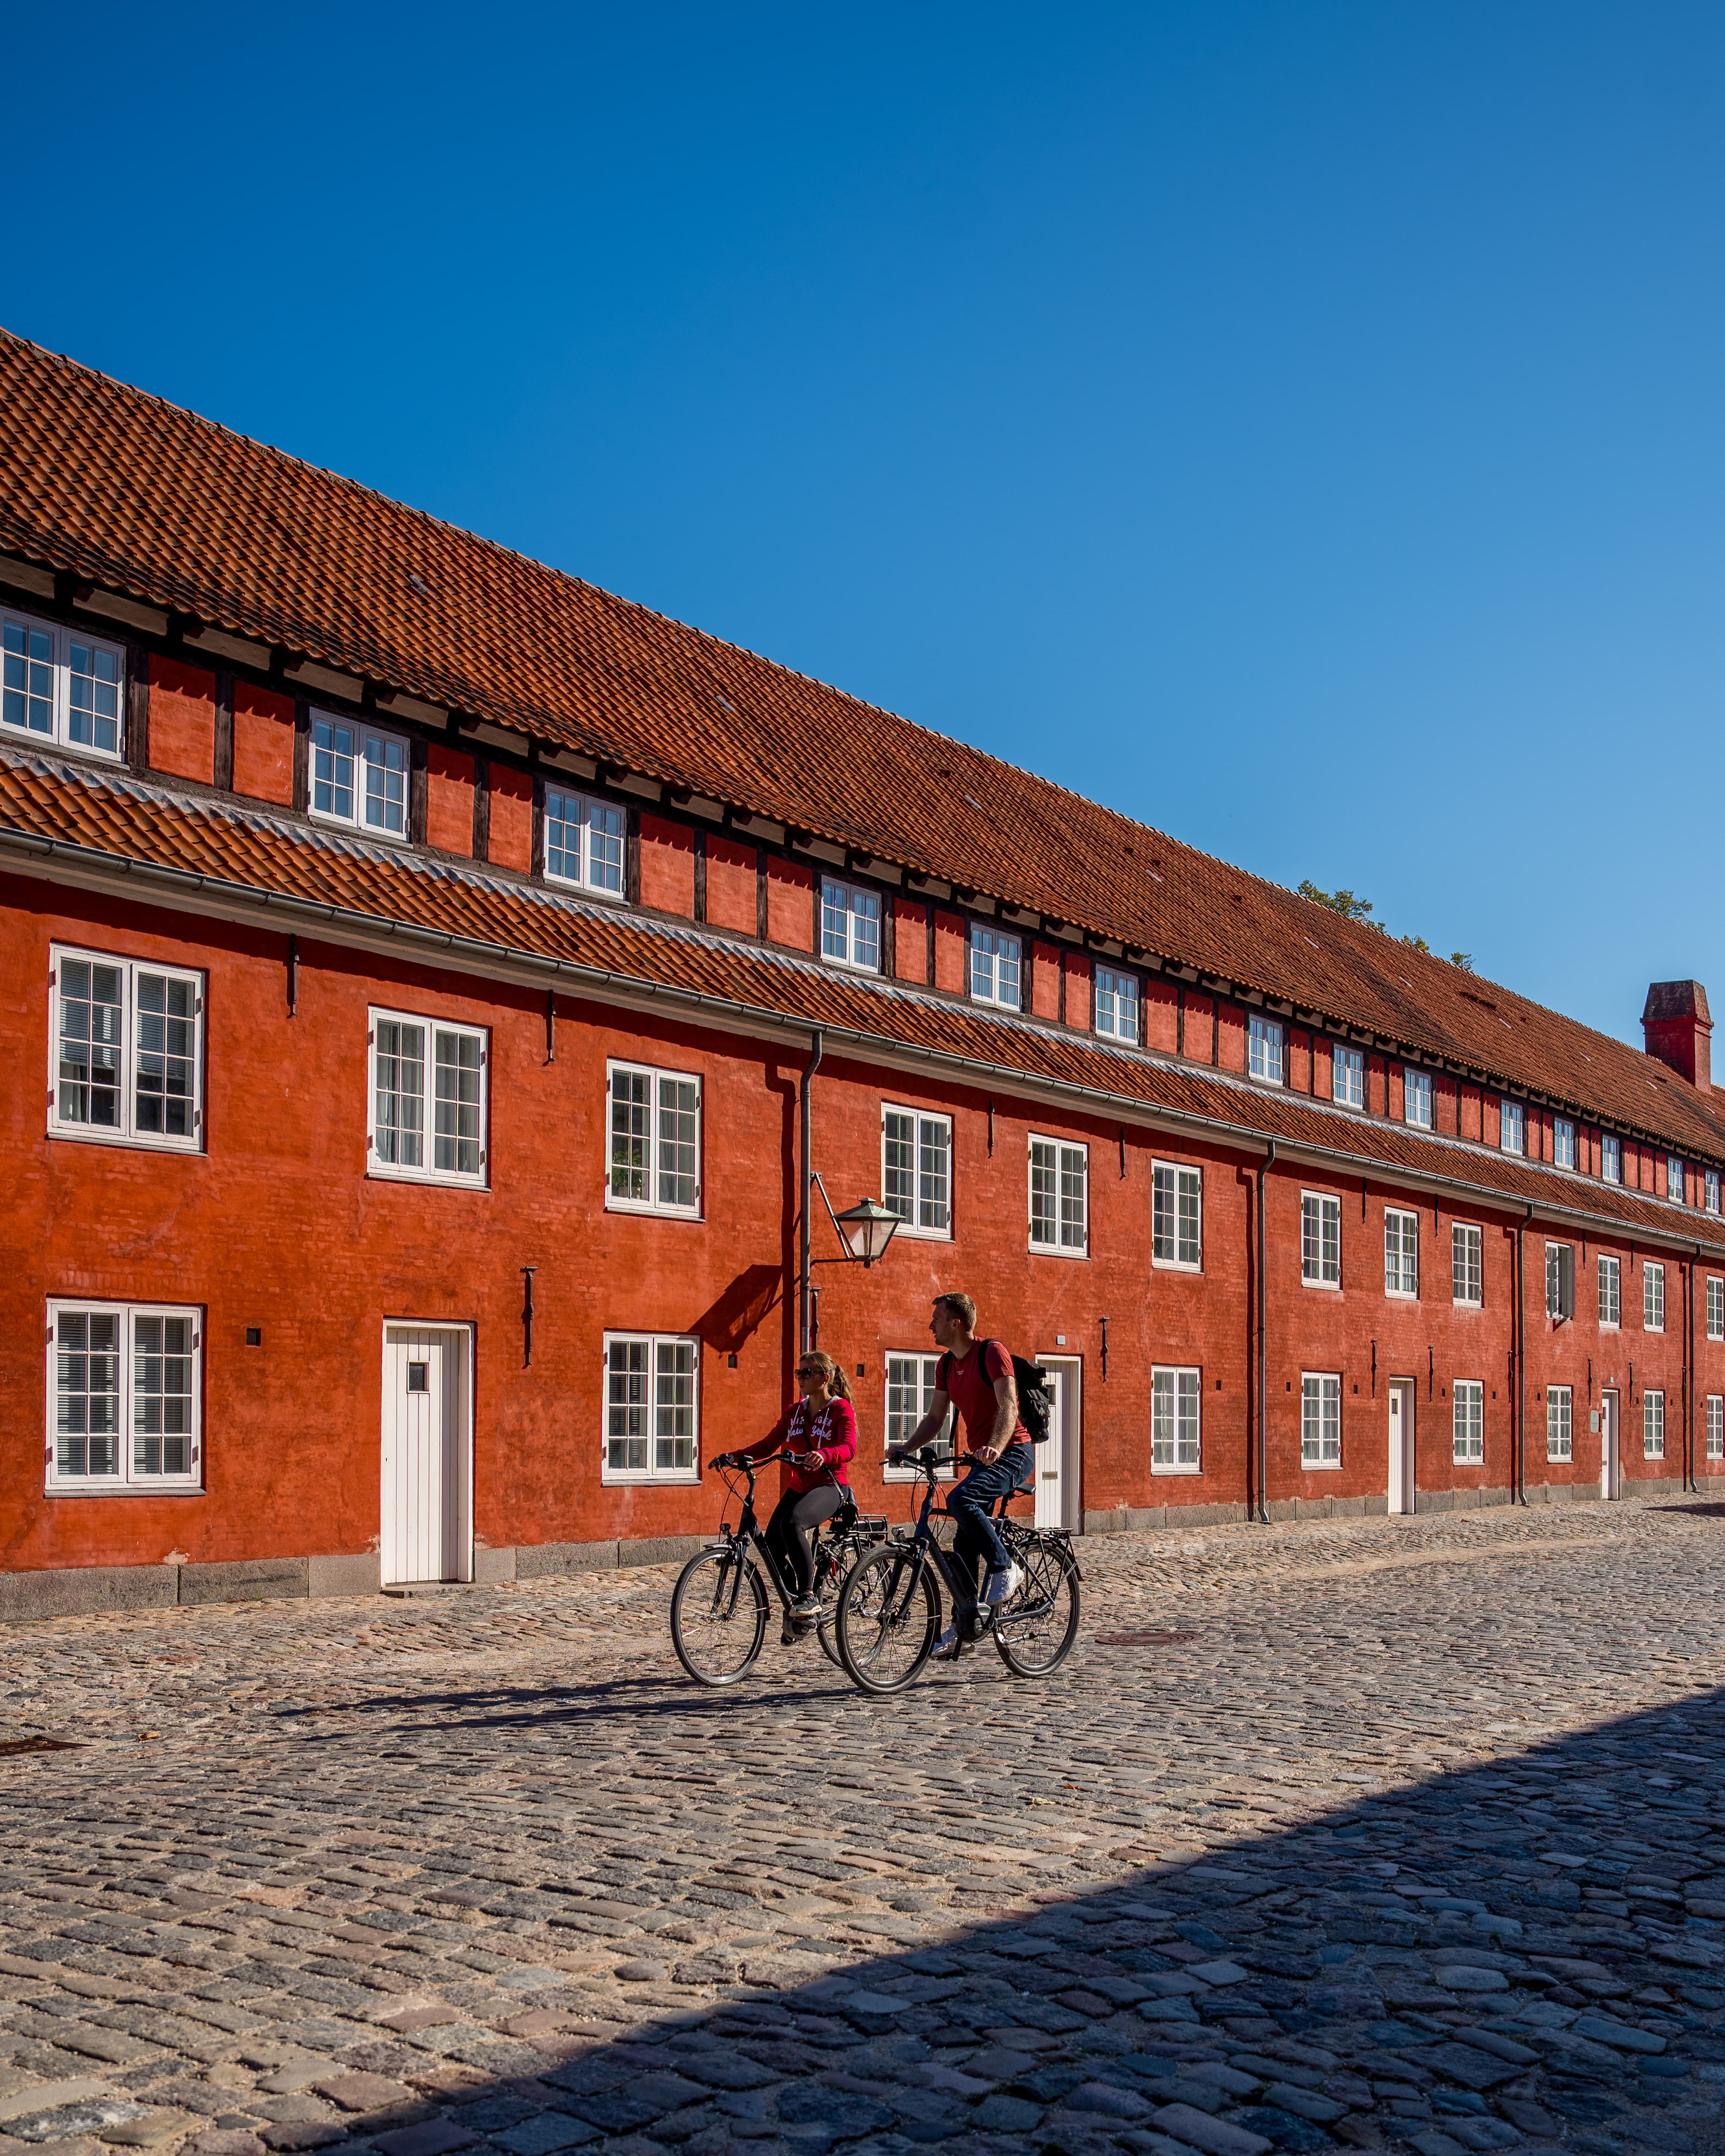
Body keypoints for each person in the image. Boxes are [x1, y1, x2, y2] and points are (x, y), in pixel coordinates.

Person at [887, 1292, 1029, 1658]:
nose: (930, 1324)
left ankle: (1005, 1566)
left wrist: (996, 1446)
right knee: (963, 1547)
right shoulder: (945, 1364)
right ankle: (967, 1623)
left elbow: (1008, 1405)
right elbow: (935, 1419)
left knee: (960, 1500)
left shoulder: (991, 1353)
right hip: (983, 1458)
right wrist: (906, 1447)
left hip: (1013, 1453)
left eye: (936, 1318)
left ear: (956, 1323)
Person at [717, 1351, 857, 1644]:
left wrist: (824, 1455)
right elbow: (769, 1444)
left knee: (793, 1523)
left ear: (825, 1379)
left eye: (807, 1374)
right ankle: (797, 1606)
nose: (801, 1379)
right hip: (799, 1487)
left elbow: (848, 1448)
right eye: (799, 1373)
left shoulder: (841, 1410)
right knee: (772, 1548)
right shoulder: (794, 1412)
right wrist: (734, 1456)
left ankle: (808, 1597)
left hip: (831, 1486)